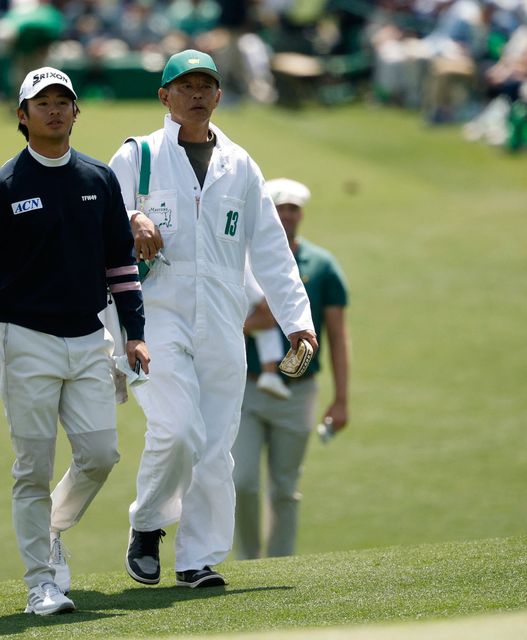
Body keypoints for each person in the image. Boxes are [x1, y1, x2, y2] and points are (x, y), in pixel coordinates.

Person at [108, 49, 316, 589]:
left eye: (207, 85)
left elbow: (271, 249)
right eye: (186, 85)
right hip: (152, 315)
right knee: (176, 430)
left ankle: (197, 558)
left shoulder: (241, 164)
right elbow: (96, 217)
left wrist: (298, 321)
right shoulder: (138, 156)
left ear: (219, 95)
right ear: (164, 96)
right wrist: (131, 217)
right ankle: (148, 525)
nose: (197, 93)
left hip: (224, 318)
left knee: (216, 445)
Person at [0, 66, 149, 615]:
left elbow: (121, 266)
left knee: (100, 454)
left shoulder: (98, 179)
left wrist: (135, 335)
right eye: (42, 102)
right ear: (22, 116)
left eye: (64, 101)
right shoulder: (2, 187)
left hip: (90, 338)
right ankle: (40, 583)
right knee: (34, 468)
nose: (55, 110)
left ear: (75, 112)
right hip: (24, 340)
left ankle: (52, 528)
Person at [232, 178, 350, 560]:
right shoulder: (241, 260)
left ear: (301, 214)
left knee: (284, 487)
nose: (286, 215)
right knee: (243, 480)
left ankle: (280, 563)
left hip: (298, 392)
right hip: (245, 389)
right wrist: (249, 326)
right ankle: (249, 561)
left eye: (293, 208)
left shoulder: (322, 265)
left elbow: (338, 335)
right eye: (279, 207)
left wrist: (341, 400)